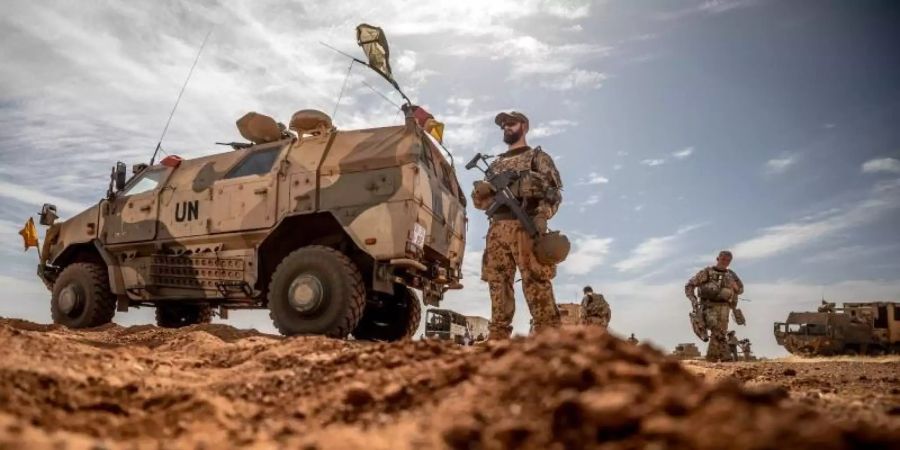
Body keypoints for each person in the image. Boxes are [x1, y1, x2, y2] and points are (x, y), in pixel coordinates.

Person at [472, 111, 563, 340]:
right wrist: (482, 193)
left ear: (524, 126)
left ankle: (549, 338)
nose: (506, 128)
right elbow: (479, 203)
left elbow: (553, 194)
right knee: (498, 284)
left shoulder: (537, 158)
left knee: (535, 281)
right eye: (503, 125)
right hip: (497, 230)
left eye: (510, 123)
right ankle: (498, 337)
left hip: (526, 225)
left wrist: (542, 216)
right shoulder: (495, 164)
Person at [685, 250, 744, 361]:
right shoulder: (707, 272)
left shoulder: (731, 274)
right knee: (717, 330)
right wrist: (693, 300)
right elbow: (689, 285)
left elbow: (741, 289)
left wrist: (735, 287)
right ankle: (726, 357)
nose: (725, 262)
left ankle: (711, 358)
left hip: (725, 308)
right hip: (708, 306)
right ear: (717, 259)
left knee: (720, 332)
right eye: (723, 259)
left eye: (728, 260)